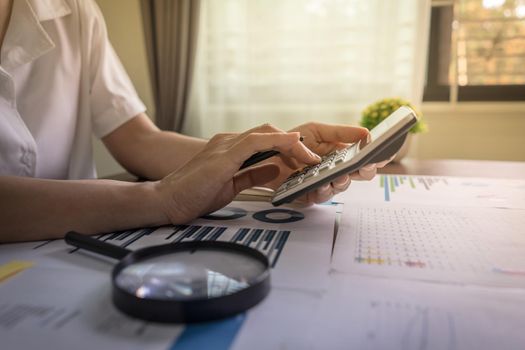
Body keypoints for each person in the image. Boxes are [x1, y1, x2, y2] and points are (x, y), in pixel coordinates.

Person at [0, 0, 388, 243]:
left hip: (65, 248)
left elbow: (137, 139)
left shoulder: (75, 10)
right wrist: (160, 199)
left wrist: (273, 160)